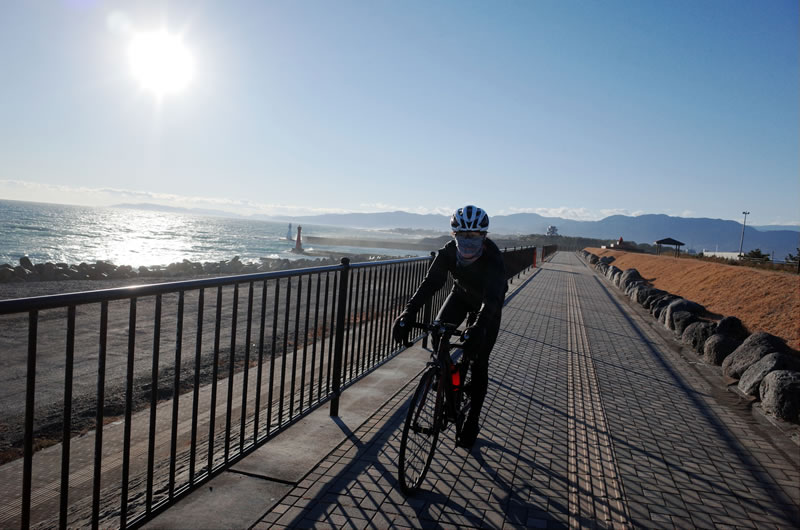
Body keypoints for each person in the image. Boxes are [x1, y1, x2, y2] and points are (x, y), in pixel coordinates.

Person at [392, 205, 506, 449]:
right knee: (438, 334)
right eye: (462, 236)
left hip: (488, 305)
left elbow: (494, 298)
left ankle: (472, 418)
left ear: (483, 236)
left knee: (479, 361)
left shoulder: (493, 257)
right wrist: (408, 313)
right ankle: (451, 379)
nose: (467, 241)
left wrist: (478, 328)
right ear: (454, 235)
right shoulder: (448, 252)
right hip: (461, 295)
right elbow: (430, 283)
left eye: (474, 236)